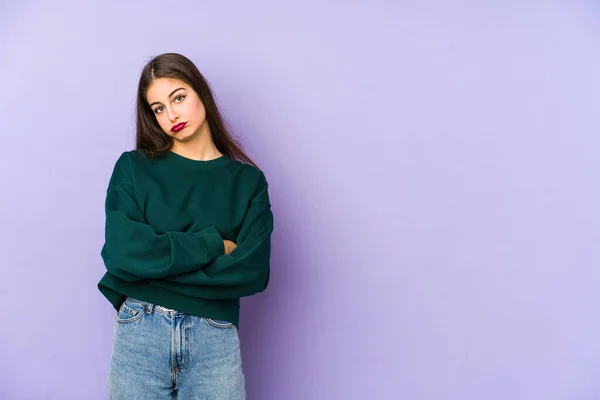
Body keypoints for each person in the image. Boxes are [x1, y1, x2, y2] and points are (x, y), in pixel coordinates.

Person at [97, 52, 274, 399]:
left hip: (214, 338)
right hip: (140, 333)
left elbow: (252, 271)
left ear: (201, 93)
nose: (171, 114)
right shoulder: (133, 168)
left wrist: (151, 270)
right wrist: (213, 245)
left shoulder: (248, 182)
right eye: (158, 108)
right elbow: (122, 253)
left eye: (178, 97)